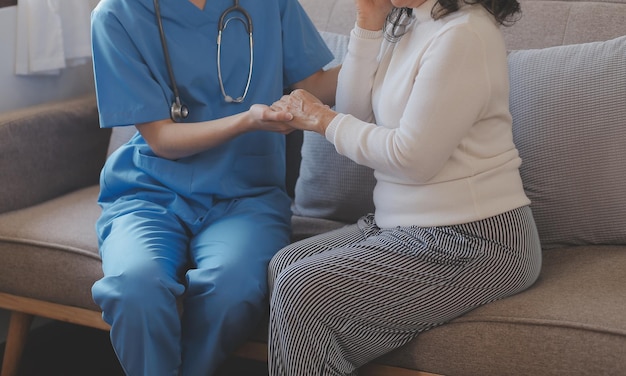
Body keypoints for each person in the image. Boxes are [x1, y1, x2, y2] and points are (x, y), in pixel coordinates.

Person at [267, 0, 543, 374]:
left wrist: (322, 118)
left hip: (476, 237)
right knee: (285, 263)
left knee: (302, 290)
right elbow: (353, 111)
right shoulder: (409, 19)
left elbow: (414, 160)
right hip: (402, 225)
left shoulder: (464, 34)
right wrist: (367, 24)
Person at [89, 0, 339, 374]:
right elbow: (161, 139)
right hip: (150, 192)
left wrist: (395, 51)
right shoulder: (116, 14)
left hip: (247, 193)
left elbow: (314, 85)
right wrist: (246, 120)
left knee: (233, 289)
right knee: (134, 288)